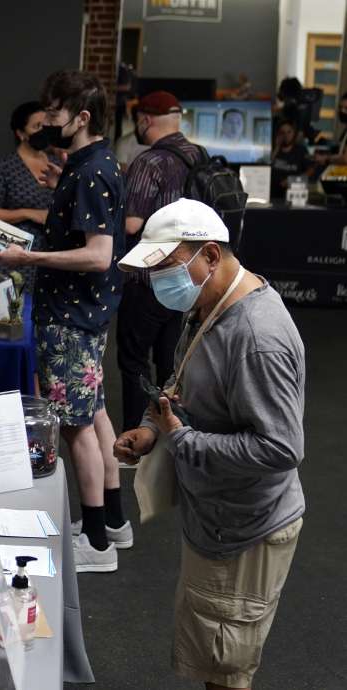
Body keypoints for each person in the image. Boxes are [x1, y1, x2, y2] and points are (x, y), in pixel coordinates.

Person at [114, 198, 305, 690]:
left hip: (244, 529)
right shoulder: (209, 305)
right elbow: (184, 386)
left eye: (168, 265)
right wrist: (153, 427)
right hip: (219, 519)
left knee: (225, 667)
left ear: (211, 255)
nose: (159, 281)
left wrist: (181, 439)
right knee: (214, 659)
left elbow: (281, 448)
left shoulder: (257, 334)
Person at [0, 70, 126, 573]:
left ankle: (96, 542)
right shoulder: (89, 164)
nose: (47, 122)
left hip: (71, 316)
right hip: (83, 313)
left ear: (82, 117)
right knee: (94, 416)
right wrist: (61, 190)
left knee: (76, 429)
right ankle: (112, 520)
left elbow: (97, 256)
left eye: (54, 114)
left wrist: (29, 259)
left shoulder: (92, 170)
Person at [118, 90, 199, 434]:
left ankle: (137, 435)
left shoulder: (148, 161)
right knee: (171, 363)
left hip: (149, 278)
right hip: (191, 276)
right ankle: (172, 431)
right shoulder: (199, 156)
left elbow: (132, 225)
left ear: (145, 120)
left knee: (134, 360)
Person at [0, 101, 55, 291]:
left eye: (45, 125)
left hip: (47, 253)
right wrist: (30, 214)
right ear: (21, 133)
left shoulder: (55, 164)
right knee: (8, 315)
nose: (42, 131)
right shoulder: (6, 166)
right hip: (10, 252)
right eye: (36, 126)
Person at [271, 120, 314, 198]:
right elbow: (266, 167)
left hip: (294, 194)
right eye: (282, 133)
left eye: (289, 132)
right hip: (273, 194)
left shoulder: (301, 150)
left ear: (294, 133)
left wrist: (293, 180)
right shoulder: (274, 150)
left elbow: (310, 170)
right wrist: (277, 147)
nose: (286, 135)